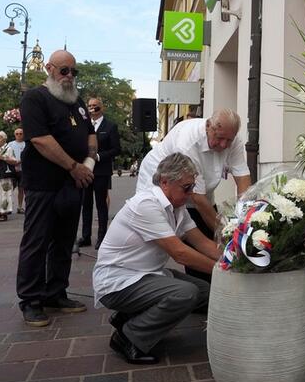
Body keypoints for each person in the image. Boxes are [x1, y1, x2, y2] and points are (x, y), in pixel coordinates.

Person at [94, 153, 220, 364]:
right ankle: (129, 337)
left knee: (205, 292)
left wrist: (233, 259)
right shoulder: (147, 204)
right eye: (186, 188)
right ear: (165, 182)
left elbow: (202, 243)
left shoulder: (177, 207)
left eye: (192, 187)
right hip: (118, 281)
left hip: (145, 274)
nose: (190, 194)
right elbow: (180, 253)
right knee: (186, 293)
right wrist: (222, 271)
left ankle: (128, 316)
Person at [15, 50, 99, 327]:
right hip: (44, 184)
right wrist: (73, 167)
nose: (70, 76)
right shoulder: (35, 98)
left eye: (74, 71)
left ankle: (56, 292)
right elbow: (40, 140)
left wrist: (86, 164)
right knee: (37, 241)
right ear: (49, 69)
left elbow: (90, 133)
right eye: (64, 71)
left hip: (73, 183)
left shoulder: (76, 101)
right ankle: (31, 299)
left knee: (64, 241)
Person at [135, 109, 252, 280]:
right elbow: (196, 198)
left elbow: (243, 178)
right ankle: (201, 284)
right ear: (209, 127)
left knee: (207, 237)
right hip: (165, 186)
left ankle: (215, 280)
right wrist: (231, 233)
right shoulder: (188, 142)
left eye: (229, 140)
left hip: (198, 190)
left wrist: (246, 216)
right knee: (174, 241)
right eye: (219, 138)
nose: (224, 145)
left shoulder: (230, 138)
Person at [75, 97, 122, 253]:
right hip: (84, 170)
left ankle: (102, 237)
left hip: (101, 171)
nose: (92, 108)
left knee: (101, 204)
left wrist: (99, 156)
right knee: (85, 204)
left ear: (101, 108)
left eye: (95, 106)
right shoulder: (83, 124)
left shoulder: (110, 126)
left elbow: (116, 149)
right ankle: (86, 236)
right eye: (89, 106)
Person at [0, 132, 17, 221]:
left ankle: (4, 213)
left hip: (4, 174)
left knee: (5, 194)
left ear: (4, 139)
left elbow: (15, 161)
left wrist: (4, 158)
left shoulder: (8, 149)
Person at [8, 127, 27, 213]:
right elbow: (6, 155)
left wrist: (20, 161)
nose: (19, 135)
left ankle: (19, 207)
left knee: (21, 189)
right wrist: (13, 163)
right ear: (14, 135)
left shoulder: (26, 144)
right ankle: (7, 207)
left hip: (23, 170)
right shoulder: (10, 144)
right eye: (17, 134)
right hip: (12, 170)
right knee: (9, 189)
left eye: (21, 133)